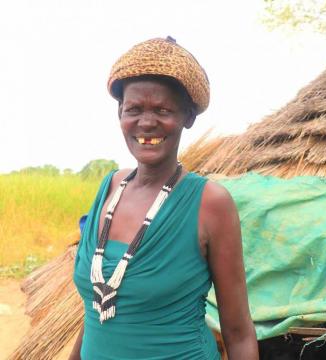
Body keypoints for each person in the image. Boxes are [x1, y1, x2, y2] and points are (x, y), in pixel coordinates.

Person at [71, 37, 258, 360]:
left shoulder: (209, 203)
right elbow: (97, 309)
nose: (146, 122)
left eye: (162, 110)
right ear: (120, 113)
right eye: (134, 109)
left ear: (188, 117)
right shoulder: (109, 188)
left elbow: (239, 332)